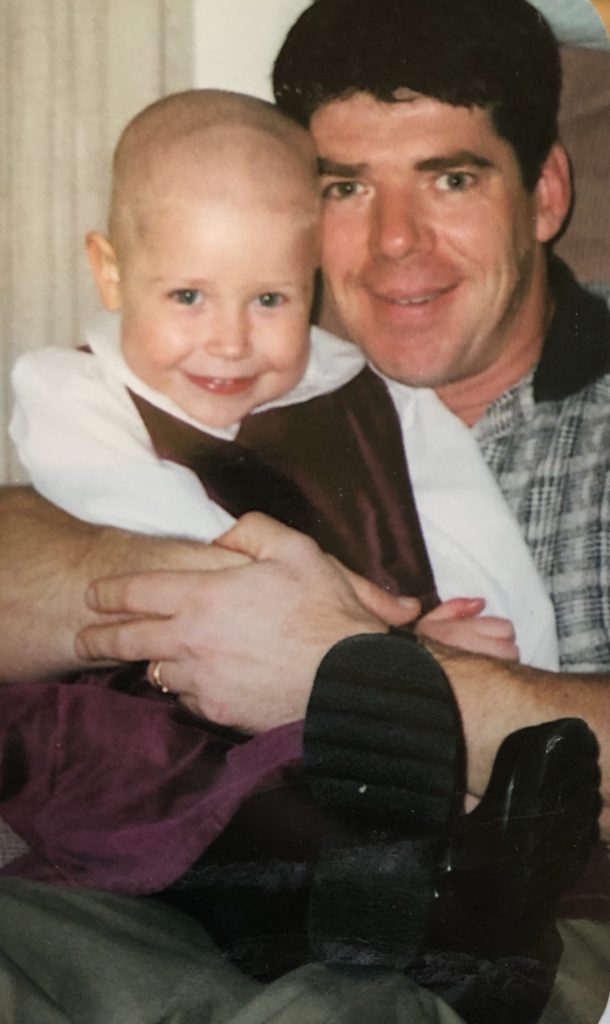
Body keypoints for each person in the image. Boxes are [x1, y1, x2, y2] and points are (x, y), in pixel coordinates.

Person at [0, 1, 608, 1023]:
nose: (394, 243)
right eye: (344, 188)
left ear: (545, 192)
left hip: (533, 901)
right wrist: (211, 600)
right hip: (176, 877)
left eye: (450, 178)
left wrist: (356, 664)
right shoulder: (233, 377)